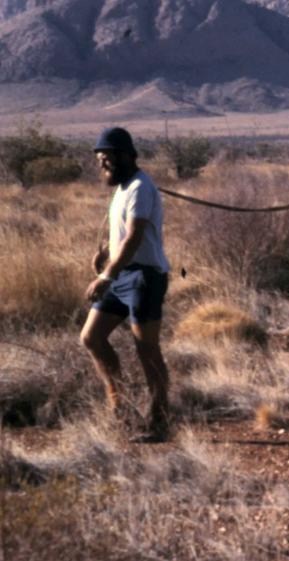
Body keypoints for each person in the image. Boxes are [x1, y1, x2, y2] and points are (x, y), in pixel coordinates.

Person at [81, 127, 172, 442]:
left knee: (147, 349)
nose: (102, 166)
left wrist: (106, 276)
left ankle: (160, 421)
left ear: (124, 156)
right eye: (100, 160)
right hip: (121, 274)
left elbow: (134, 237)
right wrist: (107, 254)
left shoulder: (139, 188)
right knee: (91, 337)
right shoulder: (122, 188)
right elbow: (123, 234)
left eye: (106, 159)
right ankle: (119, 405)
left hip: (144, 277)